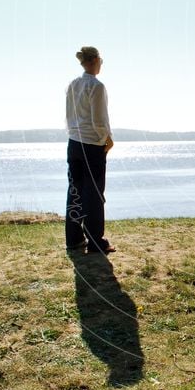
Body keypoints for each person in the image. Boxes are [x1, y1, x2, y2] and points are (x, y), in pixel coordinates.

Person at [65, 46, 115, 254]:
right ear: (95, 60)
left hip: (74, 142)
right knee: (94, 193)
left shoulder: (73, 85)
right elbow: (99, 120)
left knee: (75, 190)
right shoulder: (96, 86)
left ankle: (74, 239)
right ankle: (96, 242)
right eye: (101, 60)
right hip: (91, 144)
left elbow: (68, 115)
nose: (101, 64)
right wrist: (107, 139)